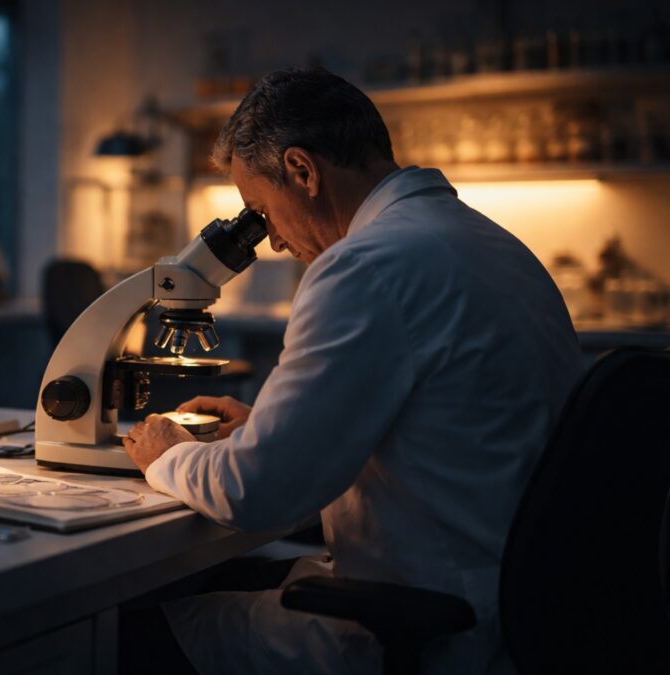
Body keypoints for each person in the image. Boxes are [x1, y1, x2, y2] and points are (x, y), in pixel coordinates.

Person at [121, 68, 584, 674]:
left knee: (128, 632)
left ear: (302, 171)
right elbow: (454, 437)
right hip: (526, 612)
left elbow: (254, 493)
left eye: (262, 211)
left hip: (427, 624)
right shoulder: (492, 245)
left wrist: (167, 454)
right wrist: (278, 429)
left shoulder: (363, 266)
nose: (276, 244)